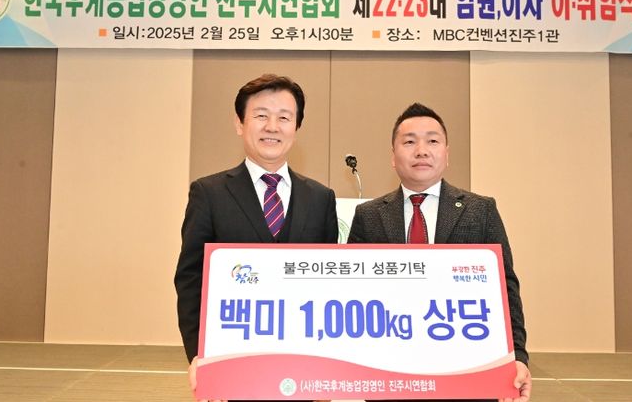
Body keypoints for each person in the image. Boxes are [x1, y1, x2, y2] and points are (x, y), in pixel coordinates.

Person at [348, 103, 531, 402]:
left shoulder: (481, 210)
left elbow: (505, 287)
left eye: (432, 141)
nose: (421, 151)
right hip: (390, 372)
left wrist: (518, 356)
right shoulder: (369, 216)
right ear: (393, 157)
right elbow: (352, 292)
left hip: (468, 370)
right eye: (409, 142)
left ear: (447, 154)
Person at [174, 74, 338, 401]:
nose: (272, 126)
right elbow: (191, 279)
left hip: (303, 363)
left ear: (296, 127)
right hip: (232, 361)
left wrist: (330, 365)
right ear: (240, 123)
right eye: (261, 115)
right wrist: (200, 355)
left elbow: (329, 284)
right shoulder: (209, 193)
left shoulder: (321, 198)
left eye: (284, 118)